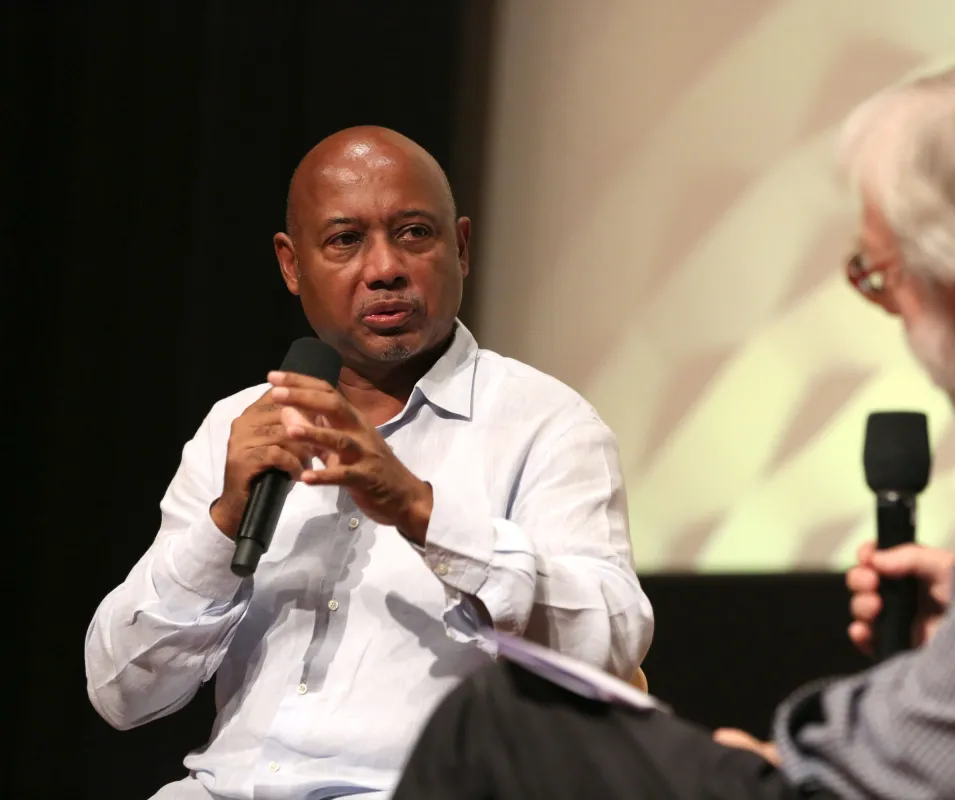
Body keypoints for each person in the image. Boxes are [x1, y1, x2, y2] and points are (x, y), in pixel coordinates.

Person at [390, 60, 955, 799]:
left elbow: (951, 749)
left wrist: (782, 761)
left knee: (494, 729)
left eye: (882, 278)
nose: (893, 315)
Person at [84, 126, 654, 800]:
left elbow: (614, 640)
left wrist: (421, 511)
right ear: (292, 266)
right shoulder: (238, 429)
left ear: (462, 248)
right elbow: (122, 692)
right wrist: (221, 524)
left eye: (414, 233)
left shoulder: (546, 424)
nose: (384, 267)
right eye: (345, 240)